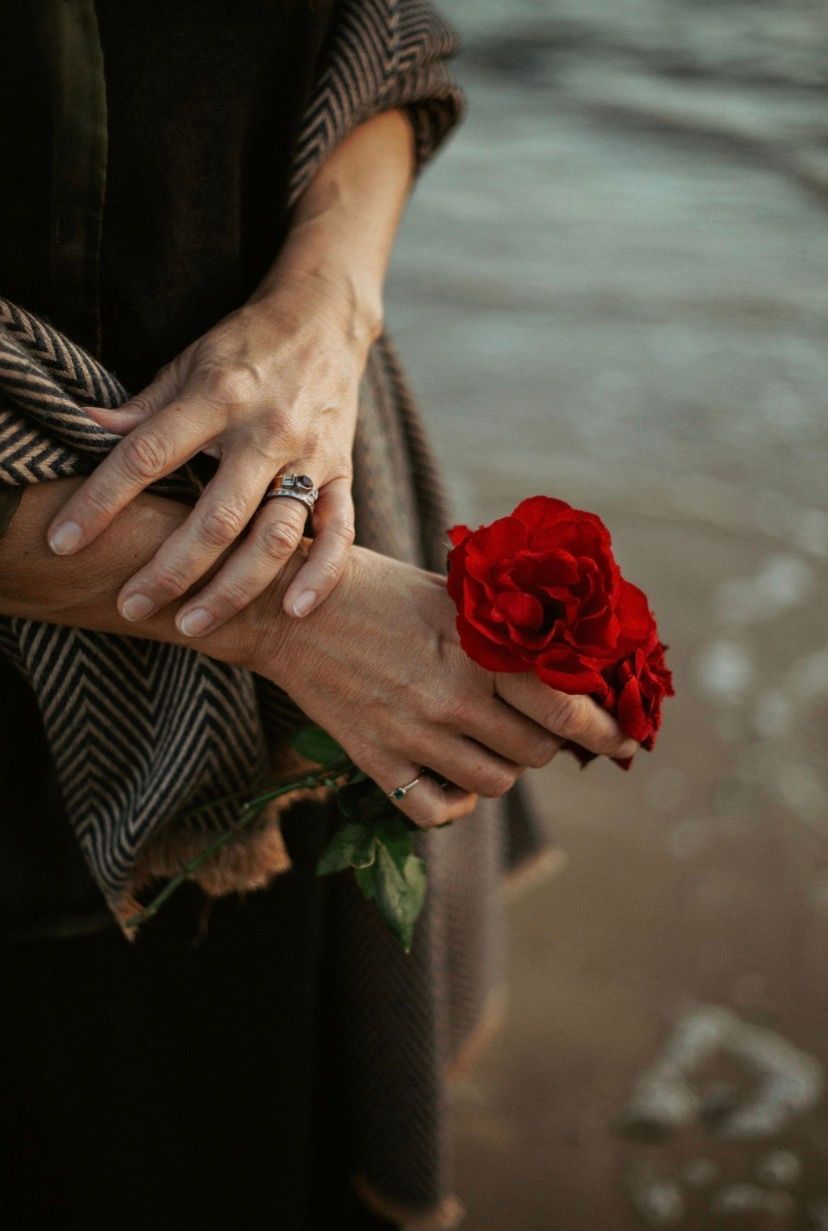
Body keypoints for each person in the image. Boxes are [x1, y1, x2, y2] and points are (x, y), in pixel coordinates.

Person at [0, 4, 637, 1228]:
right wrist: (289, 619)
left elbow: (383, 37)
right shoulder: (309, 629)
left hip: (336, 558)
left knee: (270, 1104)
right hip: (58, 726)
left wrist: (326, 310)